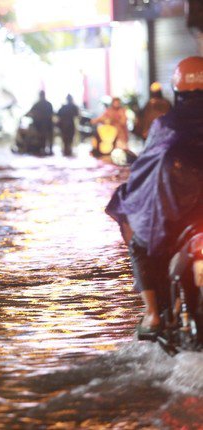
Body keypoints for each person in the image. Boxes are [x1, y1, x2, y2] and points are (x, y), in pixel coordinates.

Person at [105, 56, 203, 338]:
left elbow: (145, 169)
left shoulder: (165, 124)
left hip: (177, 212)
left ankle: (152, 314)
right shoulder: (160, 119)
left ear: (177, 91)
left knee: (138, 241)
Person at [26, 90, 54, 155]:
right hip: (47, 124)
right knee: (46, 137)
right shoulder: (48, 104)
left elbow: (30, 112)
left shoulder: (37, 104)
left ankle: (43, 149)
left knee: (42, 137)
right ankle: (47, 150)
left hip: (41, 125)